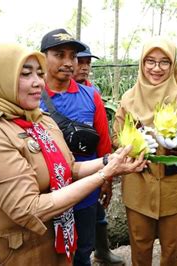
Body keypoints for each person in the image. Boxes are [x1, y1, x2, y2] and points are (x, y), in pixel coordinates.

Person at [0, 43, 146, 265]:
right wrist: (103, 174)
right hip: (13, 251)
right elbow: (29, 208)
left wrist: (108, 160)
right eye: (25, 74)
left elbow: (69, 169)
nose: (38, 82)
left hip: (53, 240)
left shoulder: (40, 121)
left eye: (39, 73)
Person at [112, 37, 177, 265]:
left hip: (175, 186)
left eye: (164, 62)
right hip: (139, 184)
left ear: (173, 65)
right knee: (140, 246)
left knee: (171, 249)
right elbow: (116, 138)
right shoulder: (128, 98)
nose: (156, 68)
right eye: (150, 61)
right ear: (142, 64)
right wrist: (132, 142)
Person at [38, 28, 115, 266]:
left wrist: (106, 180)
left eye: (72, 56)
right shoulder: (30, 95)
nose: (68, 62)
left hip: (84, 190)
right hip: (43, 194)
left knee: (83, 249)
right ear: (43, 58)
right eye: (59, 55)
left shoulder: (91, 96)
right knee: (47, 252)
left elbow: (103, 142)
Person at [72, 43, 125, 264]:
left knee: (97, 215)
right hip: (66, 171)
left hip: (92, 166)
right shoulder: (44, 94)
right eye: (80, 61)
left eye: (88, 63)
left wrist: (107, 177)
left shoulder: (93, 92)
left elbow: (103, 137)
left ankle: (101, 251)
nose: (84, 67)